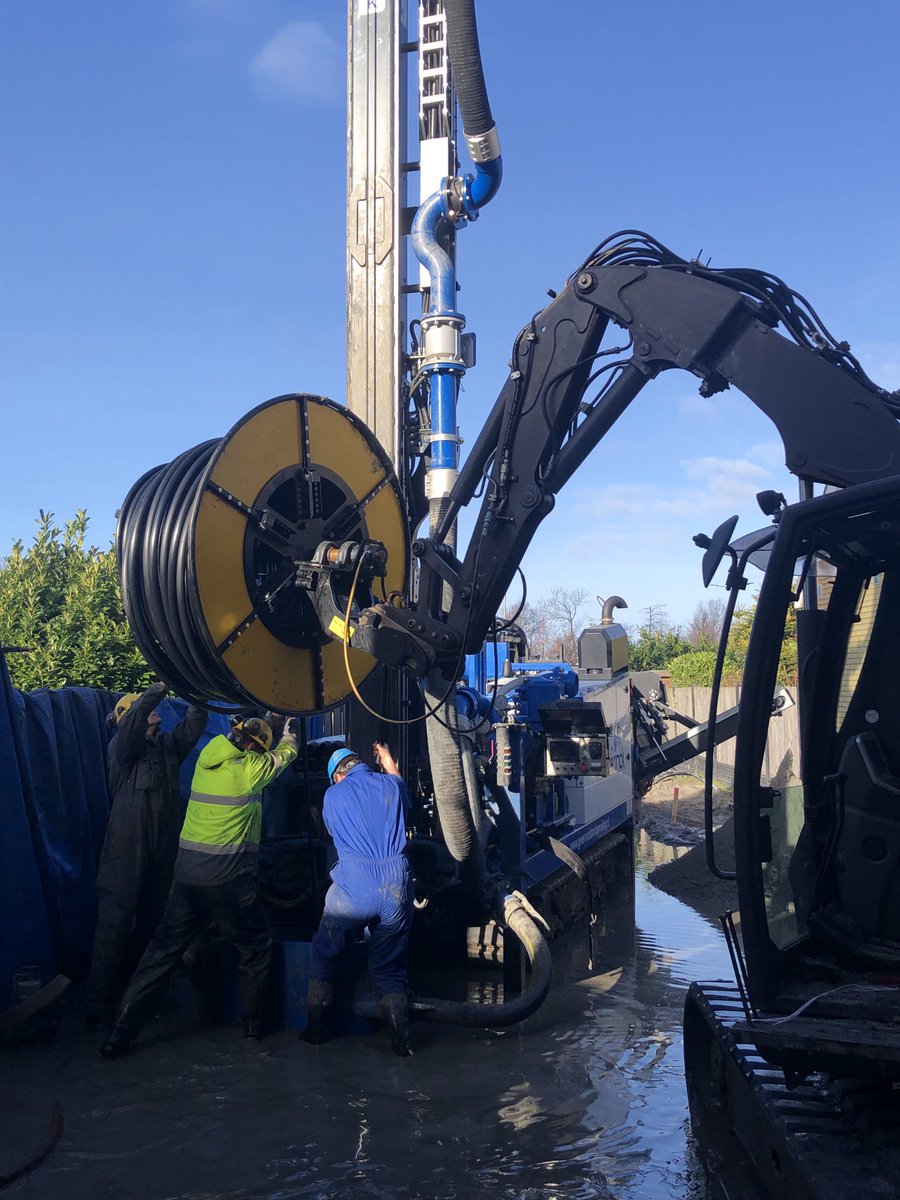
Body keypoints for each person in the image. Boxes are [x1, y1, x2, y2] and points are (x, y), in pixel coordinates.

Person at [99, 715, 298, 1057]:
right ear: (252, 748)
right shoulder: (249, 772)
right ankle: (253, 1029)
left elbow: (254, 746)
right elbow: (283, 756)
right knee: (256, 946)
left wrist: (262, 724)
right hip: (229, 880)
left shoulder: (209, 757)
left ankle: (120, 1033)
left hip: (187, 877)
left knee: (160, 954)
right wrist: (290, 736)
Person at [85, 682, 207, 1027]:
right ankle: (98, 1003)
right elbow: (137, 716)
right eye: (140, 709)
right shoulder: (122, 751)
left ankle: (142, 998)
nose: (151, 712)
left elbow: (193, 725)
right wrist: (161, 685)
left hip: (161, 849)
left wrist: (195, 689)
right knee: (114, 923)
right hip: (125, 849)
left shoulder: (167, 748)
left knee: (155, 924)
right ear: (128, 720)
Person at [303, 741, 414, 1057]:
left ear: (337, 775)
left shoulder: (332, 796)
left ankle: (314, 1034)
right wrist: (389, 759)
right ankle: (402, 1044)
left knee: (325, 953)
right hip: (396, 885)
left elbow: (332, 836)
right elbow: (400, 787)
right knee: (390, 968)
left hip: (353, 888)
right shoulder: (391, 785)